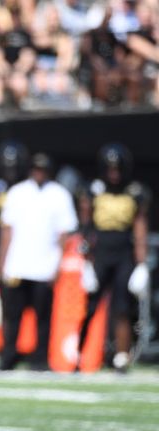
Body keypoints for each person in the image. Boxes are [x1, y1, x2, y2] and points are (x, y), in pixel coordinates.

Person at [0, 152, 78, 371]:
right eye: (35, 168)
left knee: (43, 317)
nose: (38, 172)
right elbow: (7, 230)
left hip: (45, 265)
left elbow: (64, 235)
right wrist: (2, 262)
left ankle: (40, 358)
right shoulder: (17, 192)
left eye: (42, 169)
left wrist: (57, 265)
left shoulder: (59, 195)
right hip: (17, 265)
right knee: (12, 316)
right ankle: (8, 356)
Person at [77, 143, 150, 371]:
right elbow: (86, 228)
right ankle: (79, 354)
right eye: (110, 168)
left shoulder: (135, 193)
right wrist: (86, 262)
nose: (114, 173)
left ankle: (121, 357)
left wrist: (142, 264)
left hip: (123, 253)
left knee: (121, 307)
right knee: (89, 306)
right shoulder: (93, 190)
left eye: (118, 168)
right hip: (100, 252)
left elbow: (139, 229)